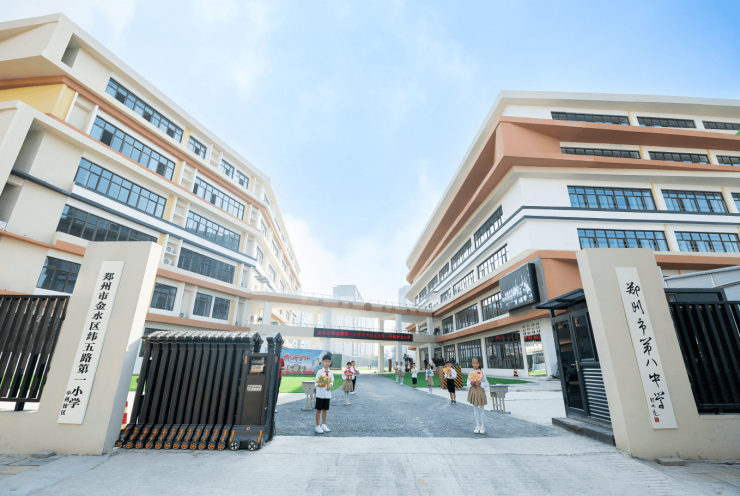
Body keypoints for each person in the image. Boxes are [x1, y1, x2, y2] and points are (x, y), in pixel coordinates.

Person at [467, 357, 489, 434]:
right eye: (474, 363)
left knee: (482, 408)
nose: (475, 365)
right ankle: (477, 426)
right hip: (473, 390)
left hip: (480, 390)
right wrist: (470, 383)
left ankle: (483, 427)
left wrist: (480, 383)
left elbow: (487, 383)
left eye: (477, 363)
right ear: (472, 364)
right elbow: (467, 383)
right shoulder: (470, 373)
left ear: (479, 364)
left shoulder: (482, 373)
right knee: (475, 408)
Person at [314, 353, 334, 434]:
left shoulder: (330, 372)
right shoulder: (320, 372)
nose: (327, 363)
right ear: (322, 362)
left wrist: (330, 385)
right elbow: (316, 382)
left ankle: (323, 425)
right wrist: (320, 384)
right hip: (320, 394)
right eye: (326, 361)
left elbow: (332, 381)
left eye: (328, 362)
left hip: (327, 394)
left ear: (330, 363)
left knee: (325, 409)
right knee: (319, 409)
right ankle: (317, 426)